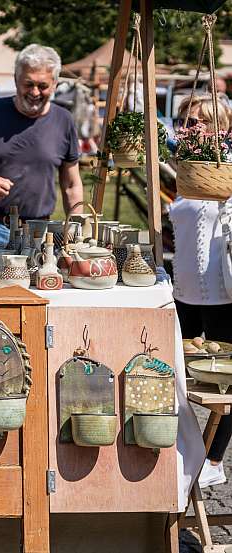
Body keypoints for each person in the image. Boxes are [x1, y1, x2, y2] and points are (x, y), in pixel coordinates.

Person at [0, 44, 84, 247]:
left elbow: (71, 184)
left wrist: (76, 229)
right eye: (28, 84)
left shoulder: (64, 120)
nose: (34, 92)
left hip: (38, 232)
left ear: (55, 84)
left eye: (42, 86)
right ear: (16, 79)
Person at [170, 95, 232, 487]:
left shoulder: (225, 170)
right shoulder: (187, 171)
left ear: (222, 129)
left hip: (223, 293)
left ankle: (214, 458)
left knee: (226, 383)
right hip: (185, 290)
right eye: (189, 122)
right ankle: (188, 449)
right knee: (179, 375)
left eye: (203, 122)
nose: (195, 129)